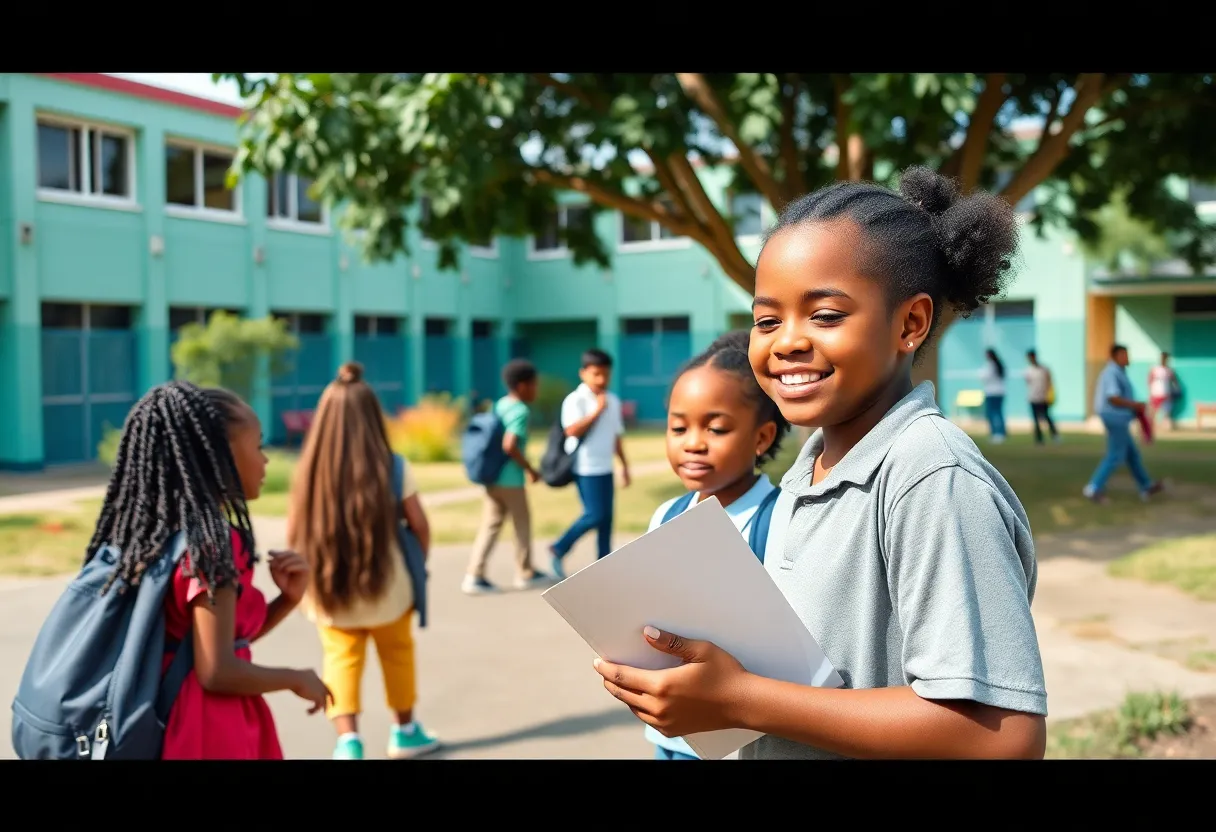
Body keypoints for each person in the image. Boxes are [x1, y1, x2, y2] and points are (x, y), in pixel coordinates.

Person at [591, 166, 1049, 760]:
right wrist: (698, 682)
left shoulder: (929, 477)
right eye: (766, 319)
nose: (787, 342)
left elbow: (1002, 736)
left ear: (910, 323)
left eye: (826, 315)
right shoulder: (808, 474)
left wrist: (740, 698)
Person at [82, 381, 331, 760]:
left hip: (162, 719)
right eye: (259, 445)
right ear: (219, 455)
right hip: (206, 728)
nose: (265, 460)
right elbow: (218, 670)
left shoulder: (155, 533)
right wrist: (296, 678)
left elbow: (205, 645)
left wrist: (287, 600)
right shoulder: (212, 542)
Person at [643, 329, 790, 760]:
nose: (693, 443)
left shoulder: (779, 519)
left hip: (740, 737)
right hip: (670, 734)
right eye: (678, 426)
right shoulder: (666, 515)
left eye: (716, 427)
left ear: (761, 438)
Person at [289, 362, 441, 760]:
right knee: (398, 655)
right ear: (375, 417)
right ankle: (405, 731)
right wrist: (418, 566)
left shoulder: (310, 470)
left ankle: (348, 742)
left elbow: (295, 531)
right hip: (389, 585)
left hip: (331, 589)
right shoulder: (393, 467)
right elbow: (420, 525)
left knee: (341, 660)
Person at [463, 358, 552, 594]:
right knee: (522, 524)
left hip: (491, 477)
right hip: (511, 480)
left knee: (490, 525)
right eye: (534, 385)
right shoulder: (520, 410)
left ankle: (474, 574)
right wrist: (529, 469)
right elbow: (510, 444)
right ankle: (525, 573)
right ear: (522, 386)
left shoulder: (500, 404)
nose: (536, 389)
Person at [549, 348, 631, 578]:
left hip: (605, 467)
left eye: (605, 374)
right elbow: (572, 430)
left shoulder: (613, 400)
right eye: (596, 374)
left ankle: (604, 565)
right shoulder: (575, 400)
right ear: (583, 373)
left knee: (606, 520)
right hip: (585, 468)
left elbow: (616, 436)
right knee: (594, 514)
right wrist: (597, 411)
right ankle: (559, 548)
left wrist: (624, 466)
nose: (601, 379)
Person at [1083, 345, 1165, 504]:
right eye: (1124, 355)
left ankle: (1146, 486)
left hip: (1120, 417)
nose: (1127, 358)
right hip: (1115, 417)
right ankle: (1093, 488)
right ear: (1115, 356)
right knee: (1115, 455)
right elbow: (1112, 398)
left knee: (1132, 455)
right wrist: (1134, 405)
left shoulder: (1119, 372)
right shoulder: (1112, 372)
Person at [1024, 349, 1059, 444]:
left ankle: (1055, 435)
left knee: (1047, 417)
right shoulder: (1028, 371)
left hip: (1043, 397)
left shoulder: (1044, 369)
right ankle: (1039, 439)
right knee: (1036, 420)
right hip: (1033, 398)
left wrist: (1050, 395)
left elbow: (1049, 382)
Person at [980, 348, 1007, 442]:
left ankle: (996, 433)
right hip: (1000, 392)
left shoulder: (990, 365)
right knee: (999, 413)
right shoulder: (999, 364)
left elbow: (984, 376)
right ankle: (1002, 433)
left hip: (991, 392)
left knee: (992, 414)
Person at [1148, 352, 1179, 432]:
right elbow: (1149, 379)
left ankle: (1164, 427)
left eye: (1166, 359)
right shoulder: (1155, 369)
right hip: (1155, 393)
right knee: (1153, 411)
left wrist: (1175, 389)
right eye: (1163, 358)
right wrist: (1150, 390)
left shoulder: (1169, 370)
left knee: (1166, 411)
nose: (1164, 360)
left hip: (1166, 393)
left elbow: (1174, 380)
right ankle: (1150, 426)